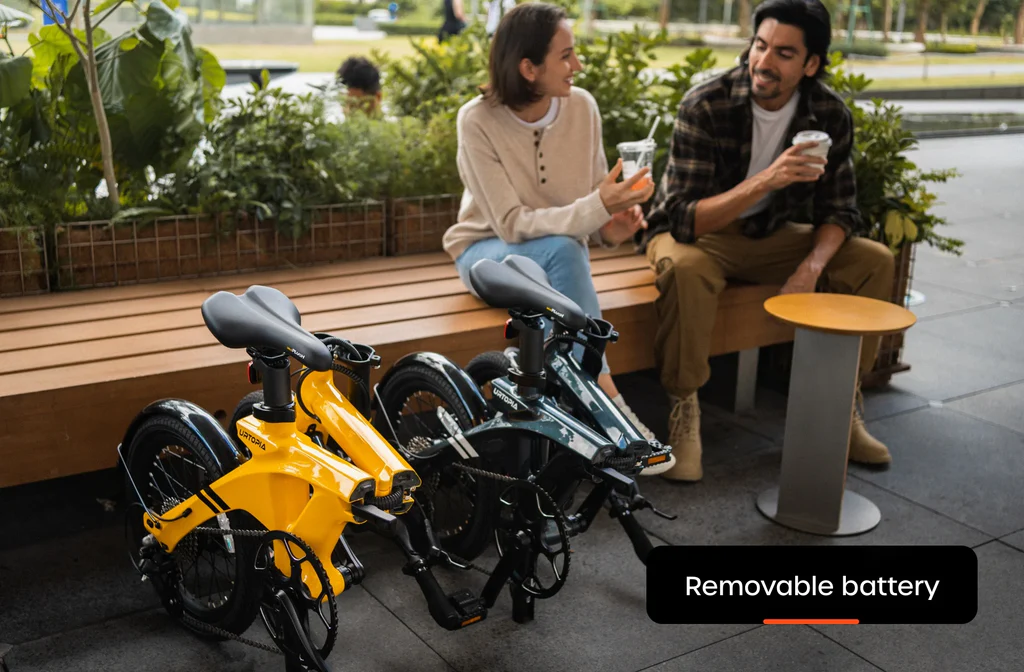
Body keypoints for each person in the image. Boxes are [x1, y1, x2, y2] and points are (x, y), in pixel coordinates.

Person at [640, 0, 896, 483]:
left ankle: (842, 409)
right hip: (700, 235)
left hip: (769, 238)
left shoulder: (828, 114)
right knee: (686, 269)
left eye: (783, 53)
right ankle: (684, 414)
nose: (764, 62)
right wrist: (767, 179)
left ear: (811, 64)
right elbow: (683, 218)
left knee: (873, 261)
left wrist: (810, 269)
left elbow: (840, 210)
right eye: (760, 46)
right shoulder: (707, 102)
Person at [441, 2, 678, 475]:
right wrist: (597, 208)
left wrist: (613, 224)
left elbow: (590, 202)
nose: (578, 66)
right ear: (528, 68)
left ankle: (577, 417)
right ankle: (608, 403)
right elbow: (510, 223)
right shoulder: (477, 120)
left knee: (567, 253)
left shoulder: (582, 107)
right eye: (566, 55)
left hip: (556, 259)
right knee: (566, 251)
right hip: (484, 252)